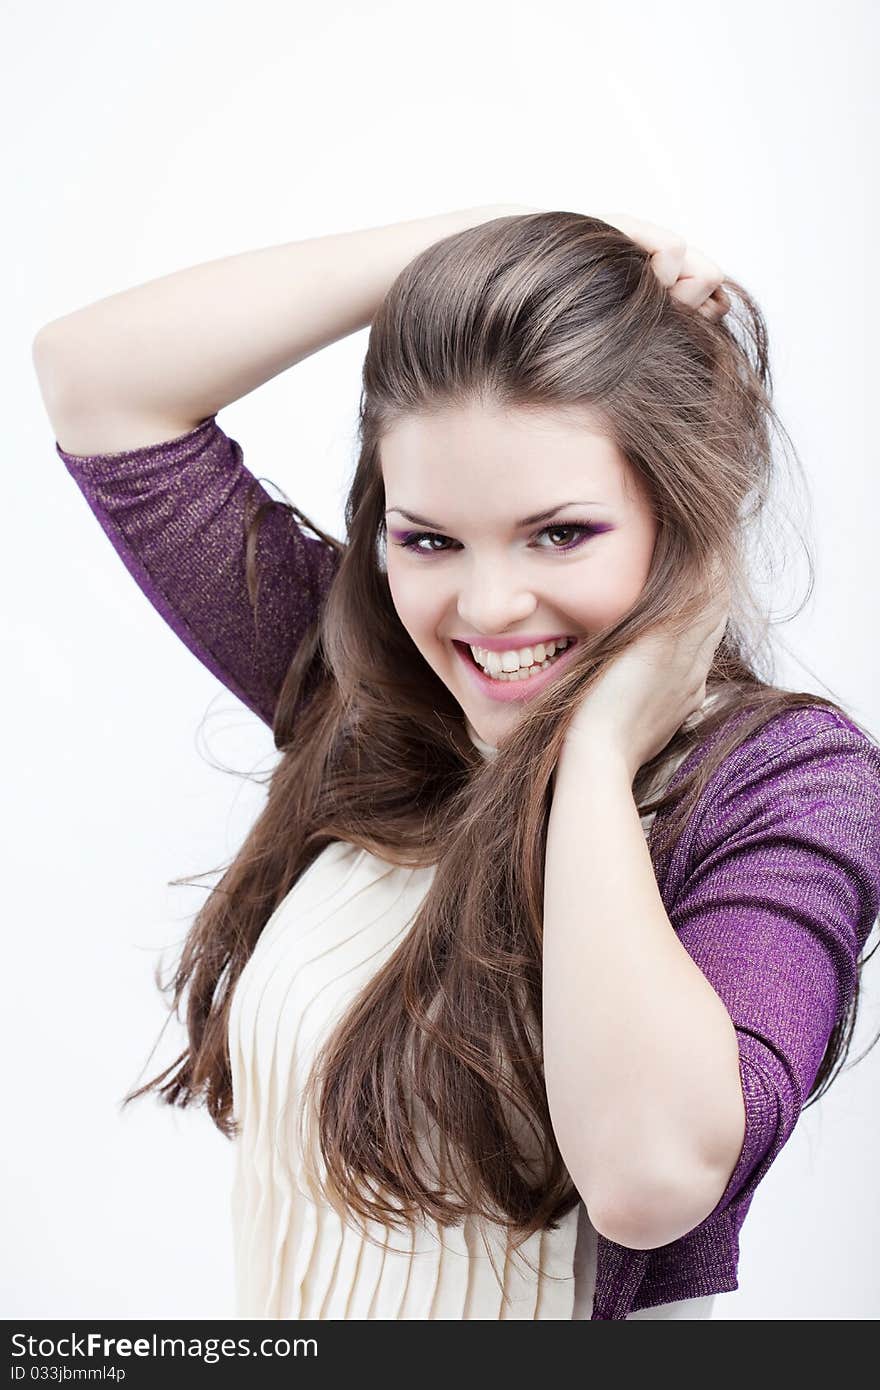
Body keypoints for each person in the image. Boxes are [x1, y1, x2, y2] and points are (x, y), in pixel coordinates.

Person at [33, 206, 880, 1320]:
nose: (484, 611)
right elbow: (94, 381)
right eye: (428, 539)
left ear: (686, 515)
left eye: (560, 533)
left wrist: (589, 759)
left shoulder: (787, 784)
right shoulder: (377, 696)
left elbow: (650, 1180)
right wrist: (502, 238)